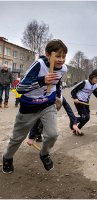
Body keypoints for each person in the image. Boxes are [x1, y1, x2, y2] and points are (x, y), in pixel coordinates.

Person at [2, 39, 68, 174]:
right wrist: (42, 81)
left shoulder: (63, 69)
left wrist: (58, 97)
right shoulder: (39, 65)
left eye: (64, 56)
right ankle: (7, 158)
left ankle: (44, 154)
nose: (61, 60)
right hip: (29, 107)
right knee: (17, 138)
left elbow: (58, 82)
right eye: (58, 56)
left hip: (47, 105)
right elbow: (20, 88)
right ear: (48, 54)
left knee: (53, 134)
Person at [71, 69, 97, 135]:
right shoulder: (84, 82)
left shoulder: (95, 85)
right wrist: (75, 98)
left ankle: (76, 130)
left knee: (87, 118)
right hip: (79, 101)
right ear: (92, 77)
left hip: (86, 102)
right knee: (85, 117)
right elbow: (73, 90)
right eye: (96, 78)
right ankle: (73, 120)